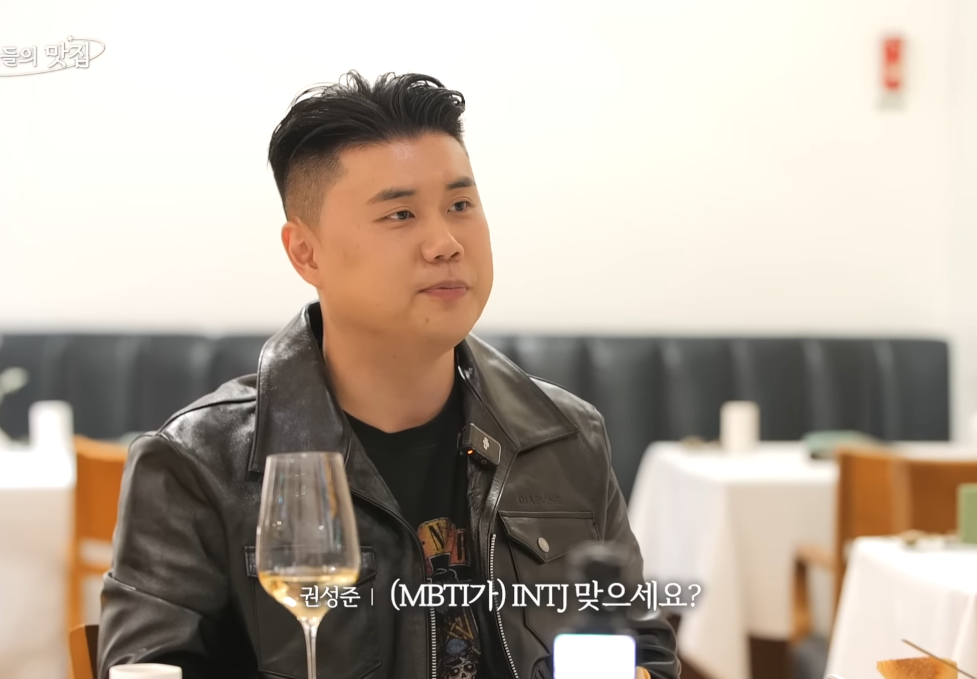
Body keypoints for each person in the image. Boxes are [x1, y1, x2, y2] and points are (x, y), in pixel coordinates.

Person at [97, 70, 680, 679]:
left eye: (460, 205)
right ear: (305, 253)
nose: (445, 242)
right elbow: (148, 669)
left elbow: (645, 654)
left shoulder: (563, 436)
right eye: (400, 214)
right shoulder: (198, 463)